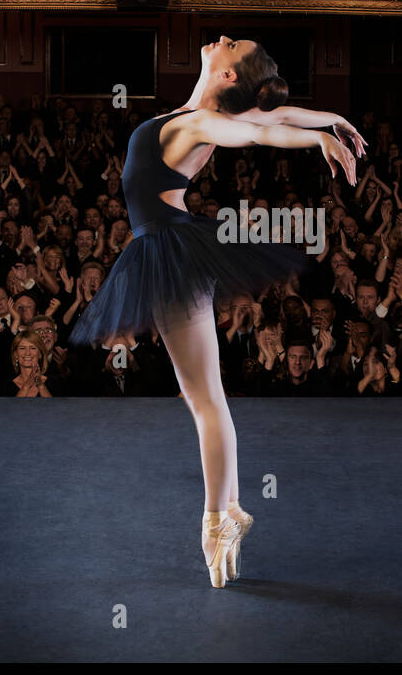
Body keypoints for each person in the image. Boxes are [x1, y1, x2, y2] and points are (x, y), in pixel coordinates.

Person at [66, 35, 366, 588]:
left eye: (230, 44)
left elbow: (261, 129)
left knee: (204, 400)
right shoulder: (191, 115)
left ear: (228, 73)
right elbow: (275, 115)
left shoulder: (197, 123)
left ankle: (214, 521)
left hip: (166, 250)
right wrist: (331, 122)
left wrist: (316, 138)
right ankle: (226, 509)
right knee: (207, 397)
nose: (220, 39)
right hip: (173, 248)